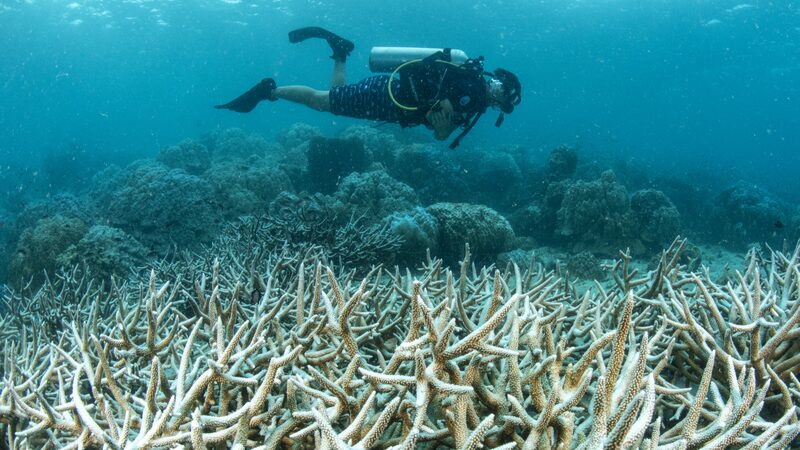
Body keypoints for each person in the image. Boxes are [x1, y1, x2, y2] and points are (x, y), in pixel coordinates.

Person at [215, 27, 521, 149]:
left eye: (501, 101)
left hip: (388, 100)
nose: (496, 99)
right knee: (322, 102)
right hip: (385, 96)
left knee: (332, 100)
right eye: (500, 93)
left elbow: (440, 128)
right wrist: (444, 125)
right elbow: (442, 121)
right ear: (498, 84)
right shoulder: (470, 89)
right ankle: (271, 90)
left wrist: (443, 126)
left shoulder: (473, 99)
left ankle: (340, 51)